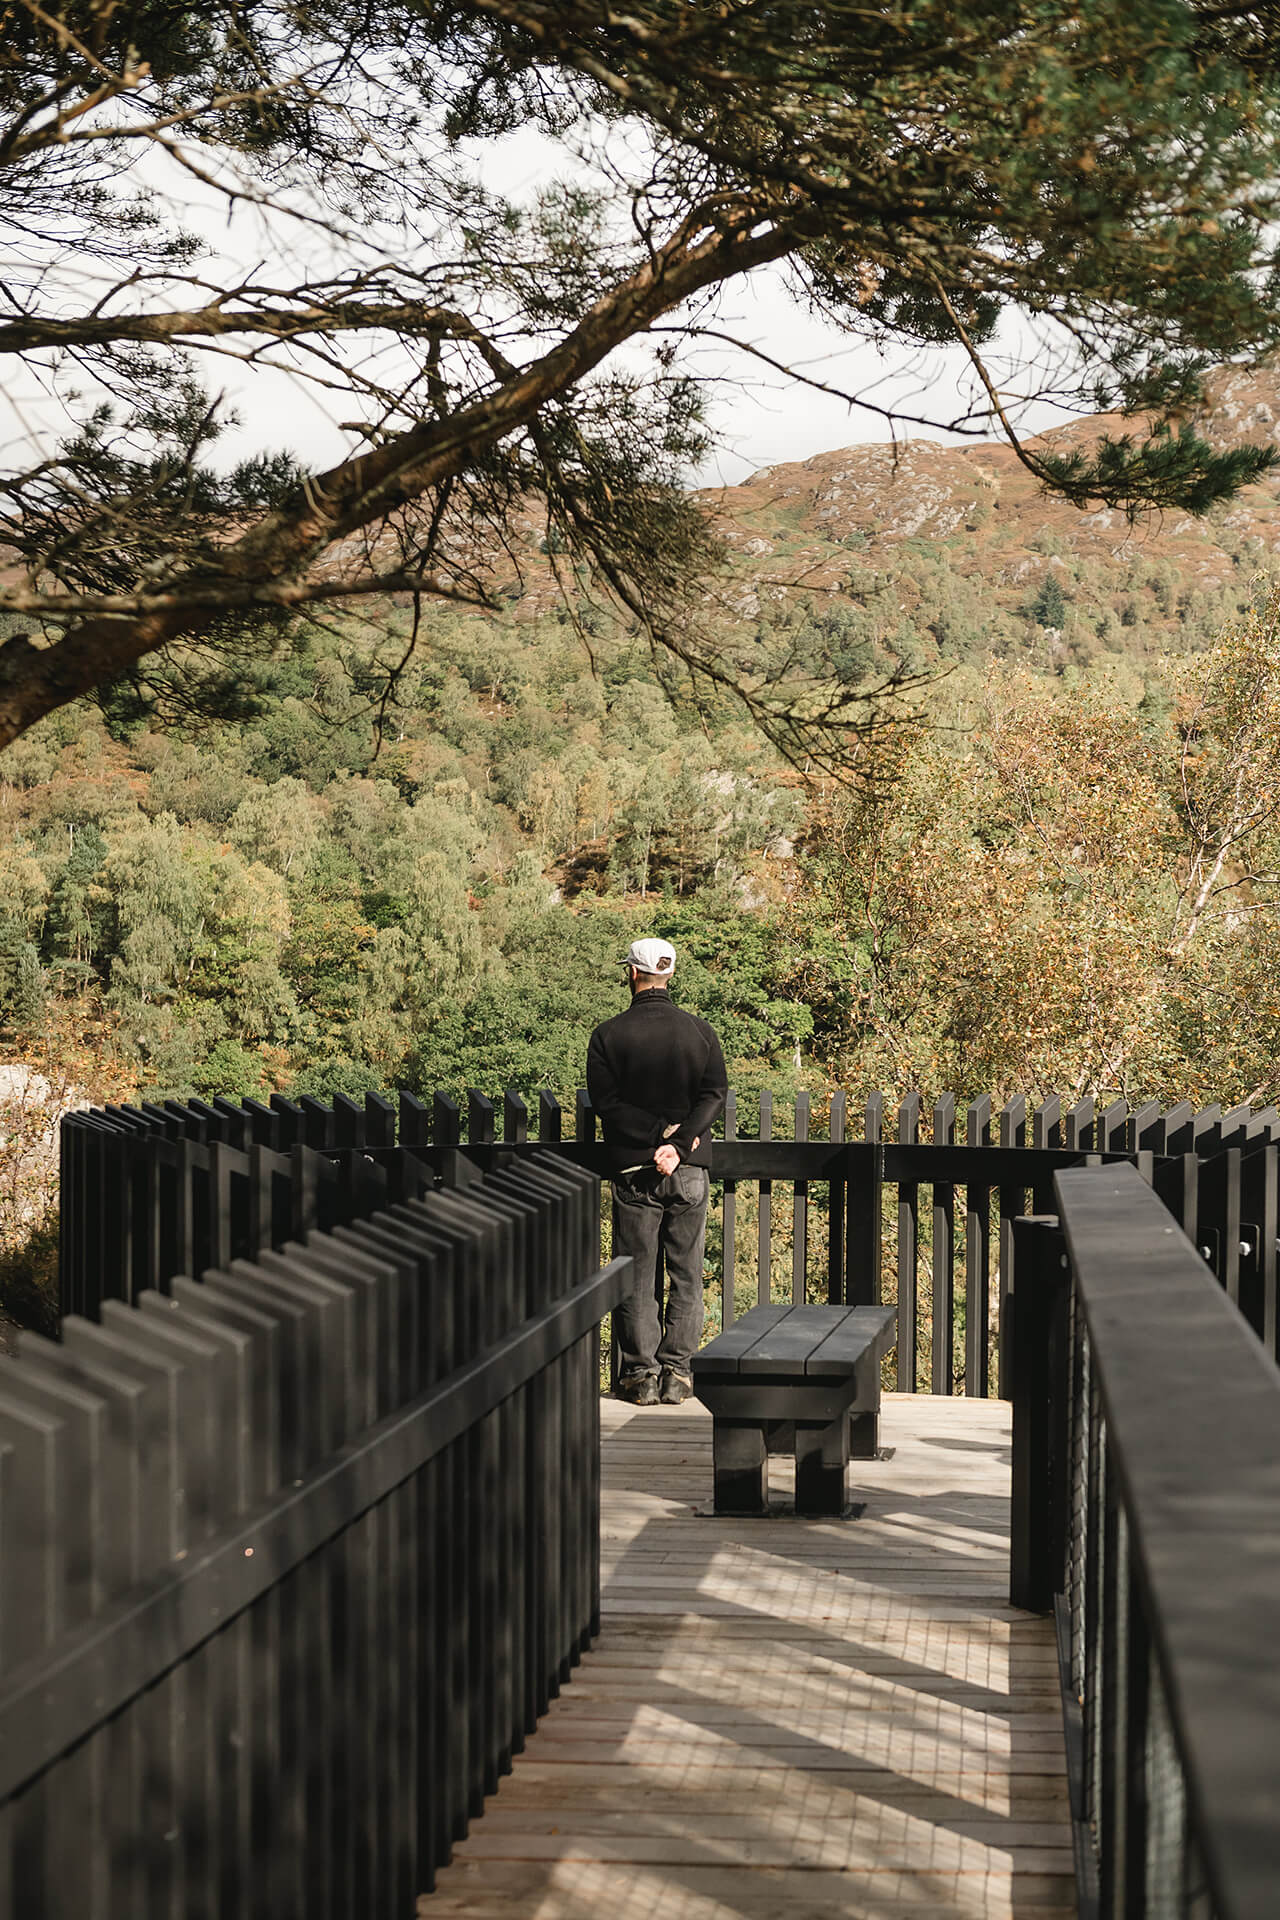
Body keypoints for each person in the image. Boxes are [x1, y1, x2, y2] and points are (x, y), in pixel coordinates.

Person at [586, 937, 728, 1405]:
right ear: (669, 975)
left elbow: (607, 1104)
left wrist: (653, 1140)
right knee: (687, 1274)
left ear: (632, 974)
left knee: (637, 1274)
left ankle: (640, 1376)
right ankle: (678, 1374)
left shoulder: (608, 1035)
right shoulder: (701, 1032)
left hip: (634, 1167)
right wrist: (680, 1143)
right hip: (687, 1170)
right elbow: (714, 1096)